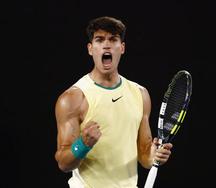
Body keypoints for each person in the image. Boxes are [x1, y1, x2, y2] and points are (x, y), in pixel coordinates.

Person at [54, 16, 173, 188]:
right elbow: (64, 164)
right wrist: (83, 144)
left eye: (113, 39)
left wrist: (154, 155)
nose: (106, 45)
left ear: (122, 48)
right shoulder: (72, 99)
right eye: (99, 40)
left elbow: (145, 156)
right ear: (90, 49)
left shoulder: (140, 94)